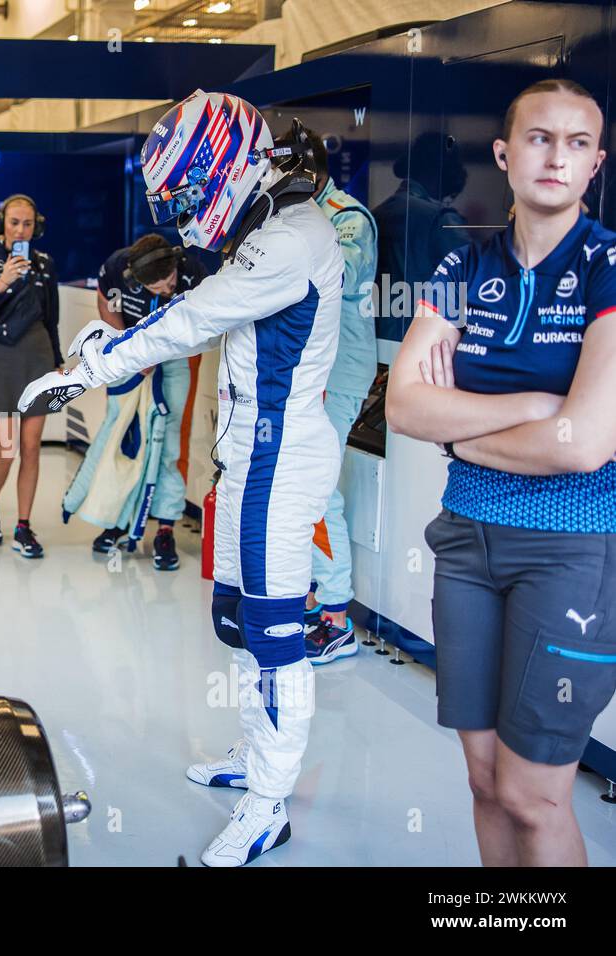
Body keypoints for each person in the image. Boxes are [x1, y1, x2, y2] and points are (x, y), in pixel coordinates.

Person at [21, 92, 344, 865]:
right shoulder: (267, 226)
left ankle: (270, 803)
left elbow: (190, 321)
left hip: (280, 460)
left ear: (226, 168)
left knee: (273, 633)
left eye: (191, 193)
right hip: (250, 456)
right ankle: (255, 755)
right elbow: (199, 315)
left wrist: (86, 368)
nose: (186, 212)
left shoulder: (290, 238)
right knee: (235, 617)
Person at [387, 79, 616, 867]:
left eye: (577, 143)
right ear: (504, 153)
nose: (556, 157)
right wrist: (535, 405)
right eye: (539, 138)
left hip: (572, 552)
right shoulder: (463, 261)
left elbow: (584, 445)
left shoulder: (607, 265)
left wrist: (462, 436)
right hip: (466, 546)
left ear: (595, 165)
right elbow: (405, 405)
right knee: (485, 782)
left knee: (533, 795)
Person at [68, 233, 207, 570]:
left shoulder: (192, 272)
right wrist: (126, 348)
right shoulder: (116, 268)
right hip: (129, 355)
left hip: (176, 355)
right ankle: (118, 520)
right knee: (123, 437)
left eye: (170, 282)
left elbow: (204, 323)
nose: (167, 289)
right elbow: (105, 303)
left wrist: (159, 351)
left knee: (170, 441)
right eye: (158, 288)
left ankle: (165, 529)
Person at [301, 129, 379, 663]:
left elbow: (339, 278)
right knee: (303, 486)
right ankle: (313, 597)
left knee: (319, 487)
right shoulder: (295, 216)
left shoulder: (348, 217)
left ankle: (336, 617)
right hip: (311, 369)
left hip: (340, 370)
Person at [0, 195, 61, 559]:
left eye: (27, 224)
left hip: (37, 356)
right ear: (1, 224)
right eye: (14, 223)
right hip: (0, 357)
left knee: (32, 446)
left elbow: (51, 317)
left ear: (36, 226)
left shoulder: (45, 263)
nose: (20, 230)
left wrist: (57, 361)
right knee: (7, 448)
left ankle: (24, 526)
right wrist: (2, 282)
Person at [371, 131, 469, 341]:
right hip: (423, 339)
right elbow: (469, 283)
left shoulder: (376, 214)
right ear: (440, 170)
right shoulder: (440, 219)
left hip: (378, 338)